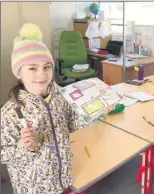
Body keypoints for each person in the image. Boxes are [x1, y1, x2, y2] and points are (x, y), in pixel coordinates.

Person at [0, 23, 112, 194]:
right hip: (33, 188)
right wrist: (26, 146)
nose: (42, 74)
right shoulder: (10, 112)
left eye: (47, 67)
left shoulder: (60, 97)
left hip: (63, 179)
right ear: (18, 73)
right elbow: (3, 153)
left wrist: (94, 114)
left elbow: (73, 123)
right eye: (32, 68)